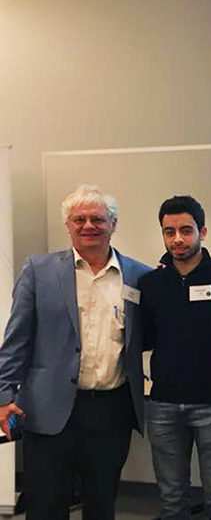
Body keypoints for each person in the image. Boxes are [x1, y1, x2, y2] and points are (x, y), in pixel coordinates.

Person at [0, 185, 150, 520]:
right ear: (67, 225)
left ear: (113, 223)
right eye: (78, 219)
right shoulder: (38, 271)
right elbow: (16, 341)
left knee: (101, 503)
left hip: (112, 410)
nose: (88, 226)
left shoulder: (140, 276)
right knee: (46, 506)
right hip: (49, 410)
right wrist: (3, 395)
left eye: (97, 218)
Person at [139, 196, 211, 520]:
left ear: (202, 232)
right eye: (169, 232)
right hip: (163, 403)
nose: (177, 239)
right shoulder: (150, 283)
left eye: (186, 230)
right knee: (171, 496)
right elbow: (144, 338)